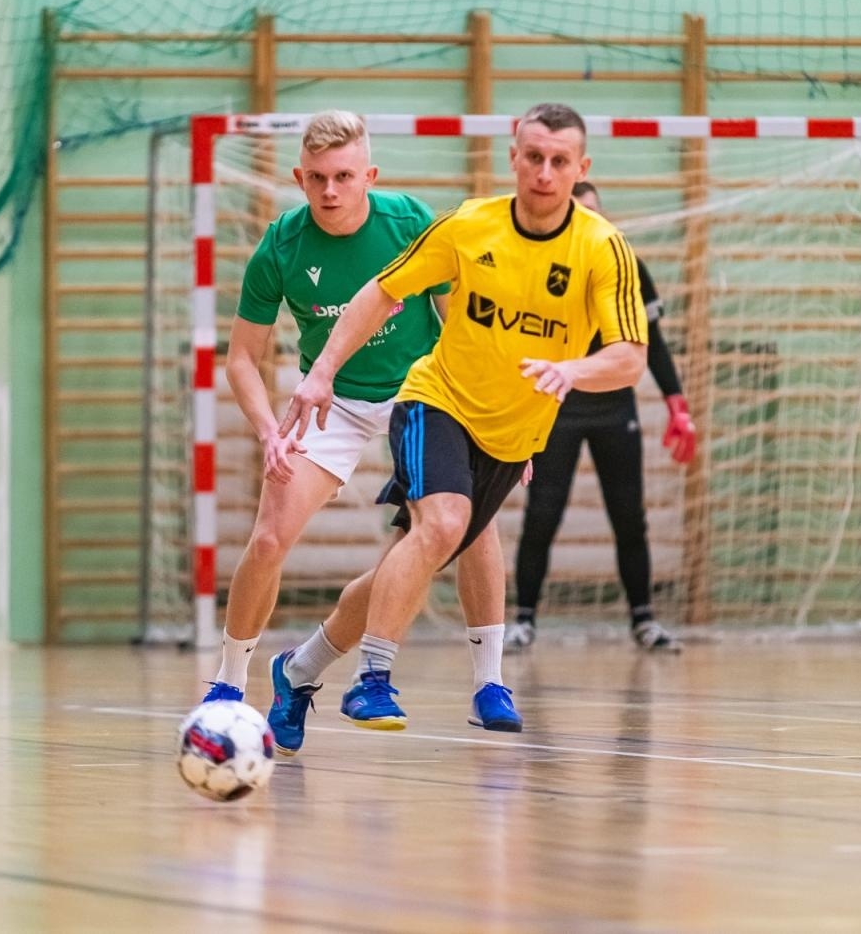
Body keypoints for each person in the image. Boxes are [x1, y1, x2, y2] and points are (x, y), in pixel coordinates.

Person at [279, 102, 649, 730]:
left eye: (560, 161)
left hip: (513, 430)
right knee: (448, 524)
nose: (544, 172)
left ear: (579, 167)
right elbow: (382, 290)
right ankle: (375, 679)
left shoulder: (603, 249)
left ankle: (299, 668)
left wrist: (572, 372)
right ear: (514, 157)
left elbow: (629, 357)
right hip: (436, 401)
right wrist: (320, 372)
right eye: (533, 157)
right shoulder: (470, 226)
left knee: (429, 551)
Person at [204, 110, 521, 753]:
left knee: (469, 527)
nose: (329, 190)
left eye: (344, 176)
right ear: (299, 176)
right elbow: (242, 356)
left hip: (424, 394)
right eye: (317, 177)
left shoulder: (410, 224)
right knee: (268, 537)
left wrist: (492, 413)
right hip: (333, 403)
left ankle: (489, 681)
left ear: (368, 175)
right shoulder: (283, 246)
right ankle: (229, 684)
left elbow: (467, 323)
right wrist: (269, 430)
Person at [506, 181, 695, 653]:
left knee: (629, 516)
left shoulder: (626, 266)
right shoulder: (543, 266)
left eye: (594, 212)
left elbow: (649, 344)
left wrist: (677, 403)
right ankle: (523, 619)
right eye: (578, 212)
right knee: (542, 514)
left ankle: (643, 620)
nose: (587, 220)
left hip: (614, 409)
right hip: (557, 406)